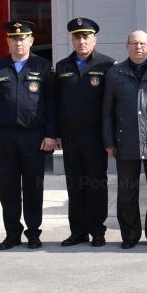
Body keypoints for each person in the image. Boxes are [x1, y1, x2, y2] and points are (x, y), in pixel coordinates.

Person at [0, 21, 57, 250]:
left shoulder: (43, 67)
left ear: (31, 41)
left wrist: (51, 134)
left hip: (34, 137)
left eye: (23, 38)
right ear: (8, 41)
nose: (19, 42)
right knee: (9, 188)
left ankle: (33, 232)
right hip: (4, 137)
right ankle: (12, 233)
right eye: (14, 38)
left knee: (34, 187)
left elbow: (51, 103)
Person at [102, 30, 147, 249]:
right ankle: (130, 235)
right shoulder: (115, 73)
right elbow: (107, 111)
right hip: (126, 141)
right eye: (134, 43)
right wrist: (109, 141)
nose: (138, 47)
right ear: (126, 46)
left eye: (143, 43)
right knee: (127, 191)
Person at [52, 17, 115, 248]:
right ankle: (77, 231)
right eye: (77, 37)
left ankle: (97, 231)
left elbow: (112, 105)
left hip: (96, 137)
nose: (81, 41)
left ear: (94, 39)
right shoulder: (62, 67)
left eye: (86, 36)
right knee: (75, 184)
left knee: (97, 184)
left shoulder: (107, 65)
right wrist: (56, 132)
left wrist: (111, 137)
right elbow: (55, 103)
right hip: (70, 136)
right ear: (72, 39)